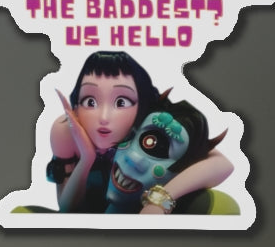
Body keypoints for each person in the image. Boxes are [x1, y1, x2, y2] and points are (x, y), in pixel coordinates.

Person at [48, 52, 231, 214]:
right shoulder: (66, 130)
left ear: (142, 104)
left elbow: (222, 164)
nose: (104, 117)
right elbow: (66, 209)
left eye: (121, 102)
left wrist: (160, 200)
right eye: (90, 101)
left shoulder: (150, 119)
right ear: (76, 105)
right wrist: (87, 158)